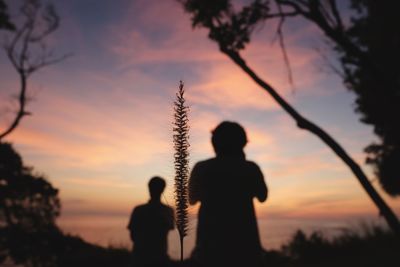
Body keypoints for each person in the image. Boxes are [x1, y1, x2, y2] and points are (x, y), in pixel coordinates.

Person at [189, 121, 268, 267]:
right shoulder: (250, 168)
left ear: (214, 143)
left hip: (209, 250)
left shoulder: (202, 168)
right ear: (243, 143)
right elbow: (263, 196)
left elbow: (192, 199)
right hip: (246, 250)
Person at [127, 176, 175, 266]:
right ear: (163, 189)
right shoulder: (168, 211)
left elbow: (133, 235)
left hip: (139, 257)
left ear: (149, 188)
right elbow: (168, 229)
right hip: (159, 258)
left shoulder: (139, 210)